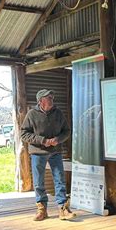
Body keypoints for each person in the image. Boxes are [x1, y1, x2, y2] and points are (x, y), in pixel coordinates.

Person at [21, 89, 75, 222]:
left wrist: (58, 139)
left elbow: (67, 131)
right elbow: (24, 133)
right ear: (41, 101)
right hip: (38, 153)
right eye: (48, 97)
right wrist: (42, 141)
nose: (52, 99)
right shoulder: (32, 114)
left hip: (55, 151)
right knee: (39, 182)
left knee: (60, 179)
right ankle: (41, 209)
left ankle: (63, 209)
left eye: (52, 96)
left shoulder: (58, 113)